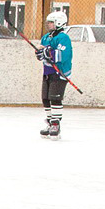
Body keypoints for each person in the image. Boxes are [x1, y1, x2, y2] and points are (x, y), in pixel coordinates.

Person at [36, 11, 73, 140]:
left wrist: (48, 52)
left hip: (59, 72)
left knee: (55, 98)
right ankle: (50, 122)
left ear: (59, 23)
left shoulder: (63, 37)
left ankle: (56, 124)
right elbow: (41, 52)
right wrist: (40, 53)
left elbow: (63, 55)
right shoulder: (46, 37)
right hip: (47, 72)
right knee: (45, 98)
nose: (49, 25)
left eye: (51, 22)